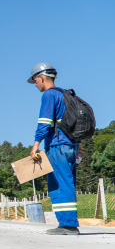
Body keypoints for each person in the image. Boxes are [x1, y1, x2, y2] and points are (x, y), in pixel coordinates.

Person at [27, 63, 81, 235]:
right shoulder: (66, 94)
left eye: (35, 80)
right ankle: (68, 223)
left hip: (57, 146)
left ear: (42, 77)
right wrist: (79, 147)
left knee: (59, 185)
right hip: (72, 146)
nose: (35, 84)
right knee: (68, 183)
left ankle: (68, 225)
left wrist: (35, 145)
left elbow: (44, 122)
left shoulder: (49, 95)